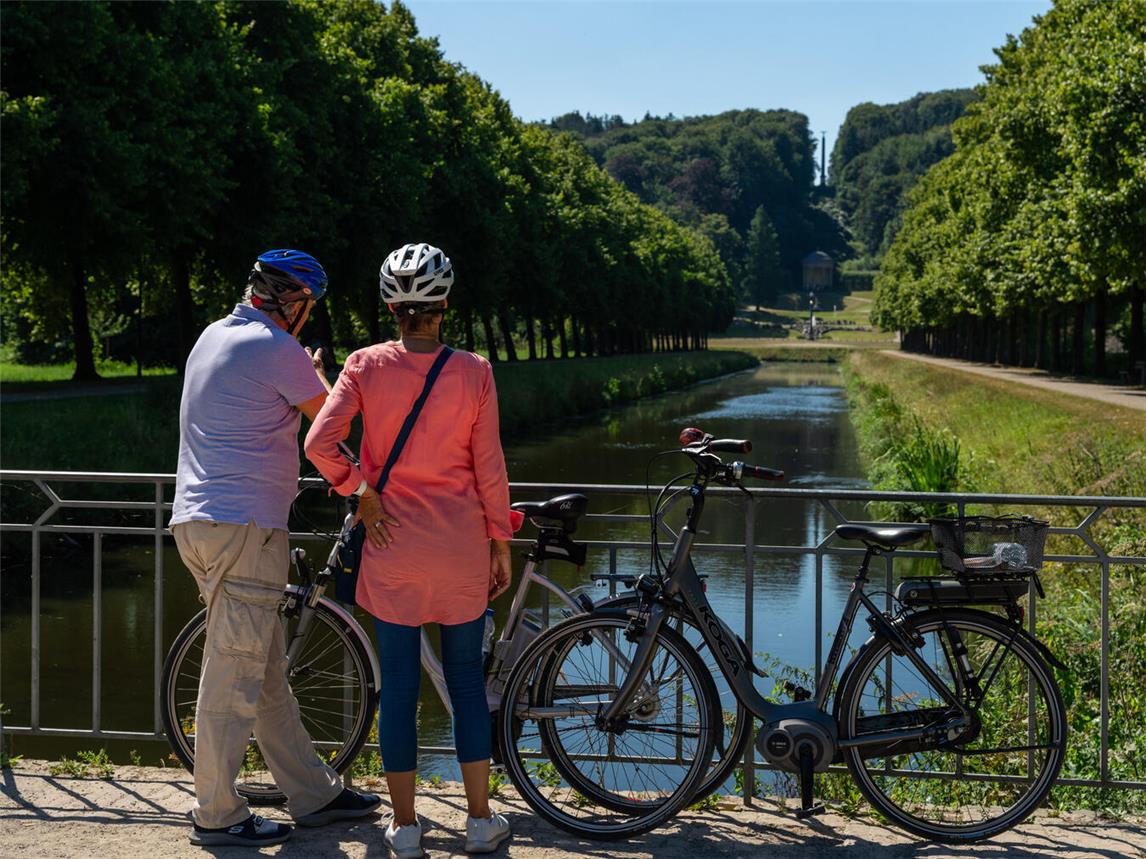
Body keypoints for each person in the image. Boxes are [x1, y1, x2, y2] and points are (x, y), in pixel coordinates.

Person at [304, 242, 513, 858]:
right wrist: (500, 543)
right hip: (459, 549)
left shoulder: (365, 365)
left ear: (390, 305)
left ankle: (405, 828)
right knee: (467, 684)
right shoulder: (475, 371)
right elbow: (490, 469)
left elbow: (321, 441)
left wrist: (360, 491)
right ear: (445, 304)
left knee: (396, 686)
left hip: (391, 544)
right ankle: (479, 822)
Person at [170, 249, 381, 847]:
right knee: (233, 675)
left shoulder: (213, 336)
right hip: (247, 527)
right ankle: (215, 812)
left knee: (261, 674)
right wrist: (364, 492)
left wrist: (302, 370)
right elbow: (330, 424)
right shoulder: (279, 349)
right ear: (292, 303)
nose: (308, 320)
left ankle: (315, 795)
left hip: (200, 522)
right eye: (307, 308)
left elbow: (259, 404)